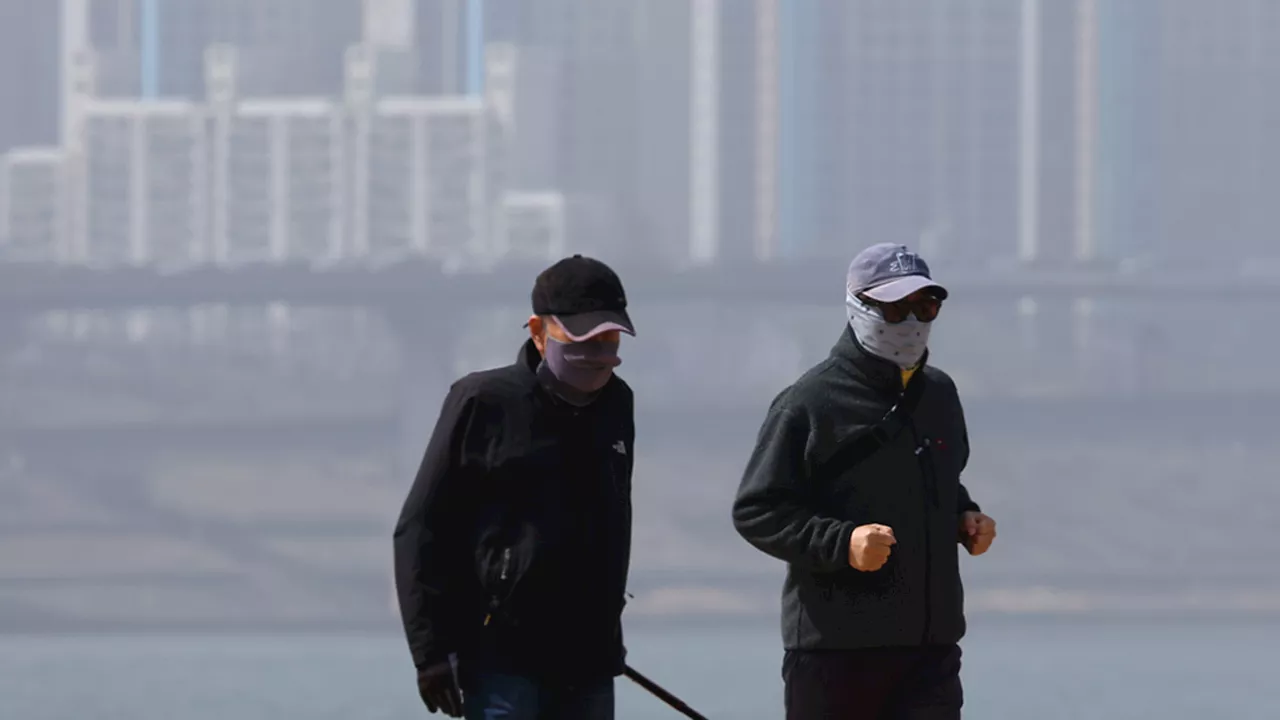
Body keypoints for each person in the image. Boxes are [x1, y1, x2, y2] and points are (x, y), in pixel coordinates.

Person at [732, 243, 997, 720]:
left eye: (925, 305)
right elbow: (758, 510)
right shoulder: (808, 402)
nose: (912, 319)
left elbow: (941, 480)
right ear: (858, 305)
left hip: (931, 653)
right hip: (836, 655)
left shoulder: (940, 393)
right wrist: (843, 543)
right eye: (896, 308)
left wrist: (965, 516)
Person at [393, 254, 637, 719]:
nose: (598, 352)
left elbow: (613, 521)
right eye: (583, 337)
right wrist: (429, 655)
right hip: (500, 661)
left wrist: (609, 637)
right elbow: (420, 528)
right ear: (538, 332)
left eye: (607, 338)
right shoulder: (482, 401)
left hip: (589, 662)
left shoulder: (618, 404)